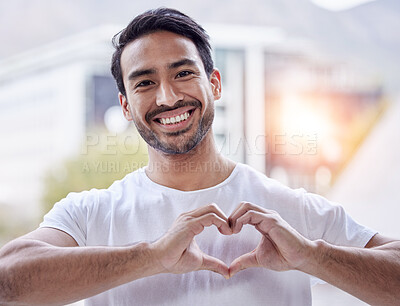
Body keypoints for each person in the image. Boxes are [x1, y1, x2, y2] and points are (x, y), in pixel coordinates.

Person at [0, 7, 399, 306]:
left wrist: (312, 257)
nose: (168, 96)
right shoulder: (90, 214)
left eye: (183, 73)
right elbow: (8, 281)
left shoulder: (292, 211)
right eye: (145, 82)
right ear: (125, 106)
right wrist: (151, 258)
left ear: (215, 85)